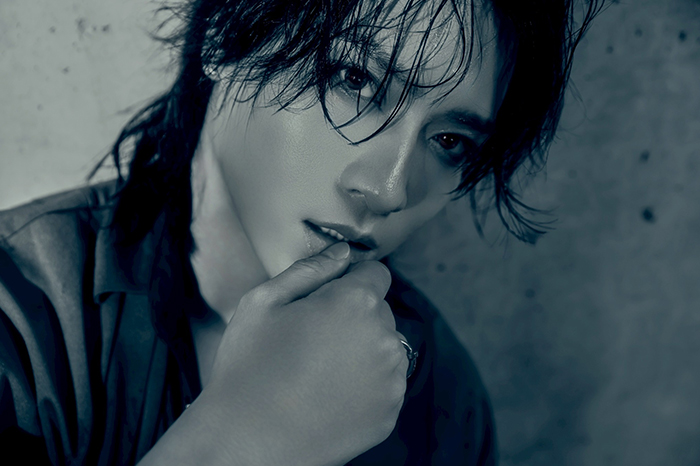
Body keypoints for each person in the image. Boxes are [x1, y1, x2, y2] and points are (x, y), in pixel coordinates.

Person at [0, 0, 603, 464]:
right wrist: (243, 439)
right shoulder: (21, 321)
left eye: (449, 140)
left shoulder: (438, 394)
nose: (390, 189)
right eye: (354, 79)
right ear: (225, 35)